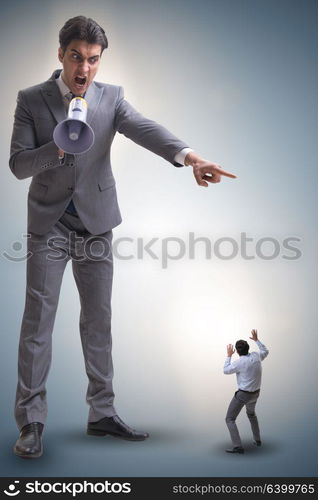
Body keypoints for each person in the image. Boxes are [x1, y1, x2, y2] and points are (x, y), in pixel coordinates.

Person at [10, 16, 236, 459]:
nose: (84, 69)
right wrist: (57, 146)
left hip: (95, 223)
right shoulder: (31, 100)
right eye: (76, 57)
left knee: (99, 321)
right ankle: (31, 422)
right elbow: (18, 165)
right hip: (49, 226)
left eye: (93, 60)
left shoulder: (111, 97)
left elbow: (145, 128)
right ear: (61, 54)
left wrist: (189, 157)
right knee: (38, 322)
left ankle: (102, 414)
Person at [223, 329, 269, 454]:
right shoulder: (256, 356)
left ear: (237, 351)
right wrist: (257, 340)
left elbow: (226, 370)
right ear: (248, 348)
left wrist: (228, 355)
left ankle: (238, 446)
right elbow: (265, 351)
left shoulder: (239, 362)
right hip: (255, 394)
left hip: (243, 395)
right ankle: (258, 440)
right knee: (251, 415)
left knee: (230, 419)